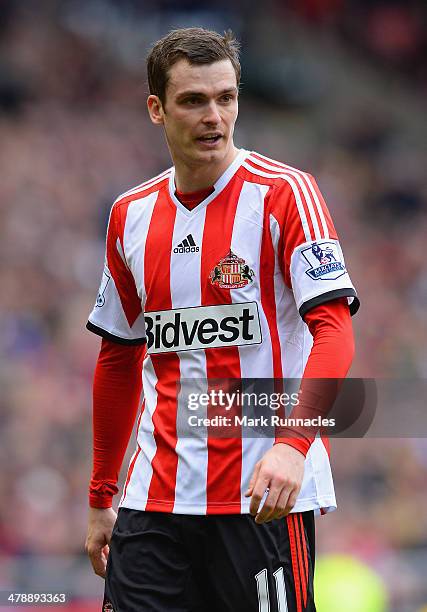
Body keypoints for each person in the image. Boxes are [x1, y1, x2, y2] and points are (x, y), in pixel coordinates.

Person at [85, 27, 359, 612]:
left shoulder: (287, 194)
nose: (215, 116)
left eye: (226, 98)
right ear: (156, 109)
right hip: (152, 500)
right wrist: (101, 494)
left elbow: (334, 332)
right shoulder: (130, 215)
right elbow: (118, 355)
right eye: (193, 100)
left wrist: (292, 446)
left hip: (261, 495)